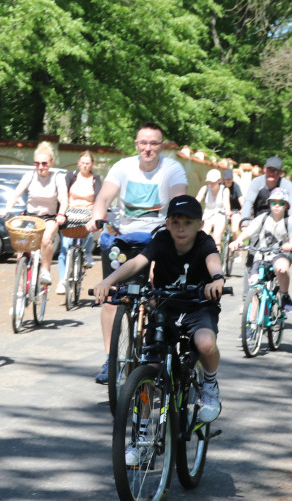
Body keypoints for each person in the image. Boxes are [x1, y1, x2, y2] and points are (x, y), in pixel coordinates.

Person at [93, 194, 225, 433]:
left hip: (198, 305)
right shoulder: (162, 240)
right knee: (149, 368)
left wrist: (217, 279)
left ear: (200, 224)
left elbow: (213, 261)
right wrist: (108, 280)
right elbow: (137, 262)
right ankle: (140, 435)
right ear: (167, 223)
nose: (181, 228)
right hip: (165, 307)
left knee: (205, 342)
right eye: (175, 222)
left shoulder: (204, 242)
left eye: (188, 222)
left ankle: (210, 385)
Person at [89, 122, 188, 384]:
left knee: (157, 291)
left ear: (162, 146)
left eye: (154, 143)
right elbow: (103, 198)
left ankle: (152, 347)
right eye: (143, 142)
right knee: (112, 296)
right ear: (136, 144)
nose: (148, 148)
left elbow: (178, 199)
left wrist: (178, 223)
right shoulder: (123, 167)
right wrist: (97, 217)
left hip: (158, 236)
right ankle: (111, 359)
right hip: (125, 237)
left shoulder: (171, 168)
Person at [0, 141, 67, 287]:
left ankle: (45, 271)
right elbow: (16, 194)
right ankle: (19, 291)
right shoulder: (30, 176)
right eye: (37, 164)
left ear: (51, 163)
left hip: (49, 218)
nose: (41, 167)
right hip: (30, 216)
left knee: (46, 239)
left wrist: (61, 213)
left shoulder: (57, 177)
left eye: (44, 163)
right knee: (22, 251)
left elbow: (63, 197)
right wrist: (7, 208)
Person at [230, 187, 292, 312]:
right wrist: (238, 241)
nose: (276, 205)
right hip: (262, 256)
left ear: (286, 206)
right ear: (269, 204)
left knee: (282, 269)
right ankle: (250, 328)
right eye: (273, 202)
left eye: (281, 203)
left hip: (281, 254)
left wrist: (291, 244)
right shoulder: (262, 218)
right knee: (255, 286)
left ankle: (284, 295)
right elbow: (248, 231)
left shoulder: (290, 220)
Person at [57, 150, 101, 294]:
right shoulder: (71, 176)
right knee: (64, 246)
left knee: (88, 233)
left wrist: (97, 215)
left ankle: (87, 253)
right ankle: (62, 281)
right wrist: (61, 213)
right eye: (82, 163)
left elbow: (99, 197)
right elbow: (62, 194)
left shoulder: (95, 178)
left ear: (92, 164)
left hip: (88, 212)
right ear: (78, 163)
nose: (84, 166)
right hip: (70, 212)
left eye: (87, 163)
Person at [195, 168, 230, 243]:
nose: (211, 184)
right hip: (207, 216)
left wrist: (228, 213)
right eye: (209, 182)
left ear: (219, 181)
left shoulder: (224, 190)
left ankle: (216, 254)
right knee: (202, 236)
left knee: (216, 237)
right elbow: (196, 201)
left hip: (220, 216)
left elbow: (227, 206)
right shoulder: (205, 189)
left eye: (213, 182)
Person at [222, 168, 243, 235]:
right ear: (224, 179)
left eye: (230, 179)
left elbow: (241, 198)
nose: (228, 181)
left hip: (235, 210)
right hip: (222, 211)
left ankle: (235, 243)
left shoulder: (236, 186)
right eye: (226, 179)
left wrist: (243, 208)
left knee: (235, 230)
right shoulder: (221, 186)